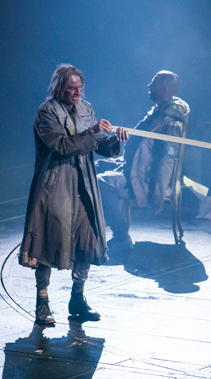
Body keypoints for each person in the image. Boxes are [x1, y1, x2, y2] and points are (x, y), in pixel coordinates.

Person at [19, 64, 129, 325]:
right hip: (55, 184)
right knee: (46, 241)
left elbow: (99, 145)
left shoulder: (86, 108)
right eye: (71, 88)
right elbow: (61, 145)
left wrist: (115, 140)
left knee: (87, 238)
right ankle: (42, 302)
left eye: (79, 87)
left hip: (83, 183)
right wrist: (91, 132)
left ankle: (77, 298)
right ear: (60, 88)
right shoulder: (46, 112)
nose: (76, 92)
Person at [98, 71, 190, 250]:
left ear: (163, 89)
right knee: (92, 167)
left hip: (143, 177)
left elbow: (167, 160)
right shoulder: (158, 111)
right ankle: (93, 231)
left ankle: (121, 236)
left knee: (100, 183)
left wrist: (157, 193)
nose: (149, 86)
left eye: (153, 83)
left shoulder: (171, 121)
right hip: (132, 166)